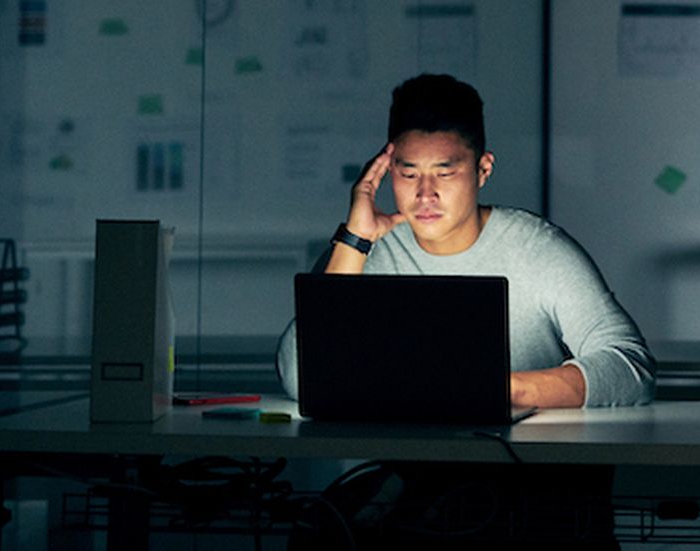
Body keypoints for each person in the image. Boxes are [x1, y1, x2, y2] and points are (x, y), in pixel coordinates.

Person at [277, 73, 654, 409]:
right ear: (387, 171)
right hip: (411, 465)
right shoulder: (361, 250)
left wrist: (502, 390)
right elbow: (302, 377)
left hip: (527, 466)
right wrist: (355, 238)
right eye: (408, 175)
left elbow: (629, 366)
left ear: (482, 170)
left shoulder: (537, 249)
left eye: (445, 173)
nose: (425, 194)